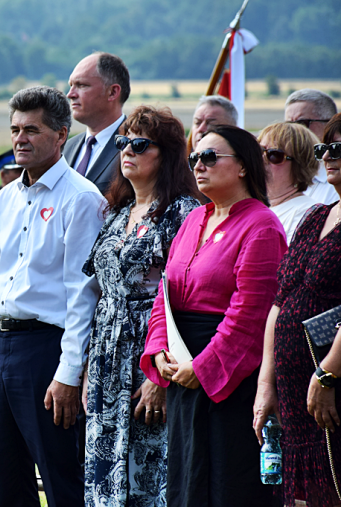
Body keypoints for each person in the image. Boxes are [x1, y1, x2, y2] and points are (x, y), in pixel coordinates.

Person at [0, 86, 105, 506]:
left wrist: (69, 373)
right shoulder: (4, 198)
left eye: (32, 130)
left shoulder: (81, 199)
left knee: (60, 473)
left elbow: (83, 295)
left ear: (62, 134)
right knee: (7, 477)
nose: (20, 139)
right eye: (14, 129)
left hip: (46, 351)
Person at [140, 125, 287, 506]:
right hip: (182, 365)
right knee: (187, 481)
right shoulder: (194, 220)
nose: (198, 165)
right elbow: (165, 296)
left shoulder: (261, 225)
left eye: (210, 157)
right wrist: (159, 350)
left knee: (226, 483)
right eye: (194, 158)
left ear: (242, 167)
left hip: (228, 378)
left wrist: (204, 368)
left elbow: (250, 314)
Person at [82, 106, 201, 507]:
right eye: (122, 142)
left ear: (166, 154)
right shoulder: (115, 213)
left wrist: (160, 377)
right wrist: (86, 370)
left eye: (139, 143)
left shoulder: (182, 214)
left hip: (149, 357)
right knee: (105, 475)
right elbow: (98, 292)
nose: (126, 151)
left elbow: (182, 301)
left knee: (148, 475)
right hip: (105, 359)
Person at [253, 113, 341, 507]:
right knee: (300, 497)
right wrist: (266, 384)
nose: (329, 156)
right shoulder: (315, 218)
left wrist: (327, 374)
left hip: (329, 385)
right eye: (325, 148)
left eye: (338, 148)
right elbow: (280, 303)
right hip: (293, 390)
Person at [65, 52, 130, 195]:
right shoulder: (67, 147)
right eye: (71, 85)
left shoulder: (135, 147)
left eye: (81, 85)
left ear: (112, 92)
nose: (70, 94)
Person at [258, 122, 323, 243]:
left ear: (300, 166)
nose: (262, 159)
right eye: (259, 150)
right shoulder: (257, 206)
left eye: (274, 155)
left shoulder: (308, 214)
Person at [285, 89, 339, 204]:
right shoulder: (283, 176)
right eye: (289, 126)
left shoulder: (335, 181)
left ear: (329, 125)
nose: (294, 132)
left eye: (302, 124)